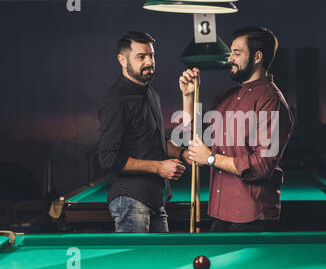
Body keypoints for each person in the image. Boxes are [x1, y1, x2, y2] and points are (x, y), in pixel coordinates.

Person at [178, 27, 294, 232]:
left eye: (237, 53)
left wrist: (211, 159)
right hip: (220, 214)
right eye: (231, 52)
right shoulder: (227, 98)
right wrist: (188, 96)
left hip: (254, 217)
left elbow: (262, 165)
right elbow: (194, 141)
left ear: (257, 57)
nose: (229, 58)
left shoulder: (272, 101)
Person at [98, 31, 188, 233]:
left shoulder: (150, 91)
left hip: (156, 200)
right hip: (130, 201)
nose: (149, 61)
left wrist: (182, 153)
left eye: (151, 55)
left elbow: (155, 141)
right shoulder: (116, 99)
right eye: (141, 56)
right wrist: (159, 168)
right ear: (122, 60)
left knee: (159, 262)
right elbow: (108, 158)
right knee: (135, 263)